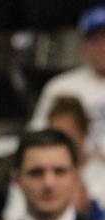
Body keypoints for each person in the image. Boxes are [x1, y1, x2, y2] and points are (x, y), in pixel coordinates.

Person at [4, 95, 105, 220]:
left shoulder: (101, 173)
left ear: (84, 134)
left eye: (67, 137)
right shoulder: (28, 173)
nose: (49, 182)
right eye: (53, 135)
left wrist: (89, 210)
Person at [30, 6, 105, 159]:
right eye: (95, 39)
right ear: (84, 45)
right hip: (71, 173)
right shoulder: (61, 87)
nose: (102, 46)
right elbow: (37, 139)